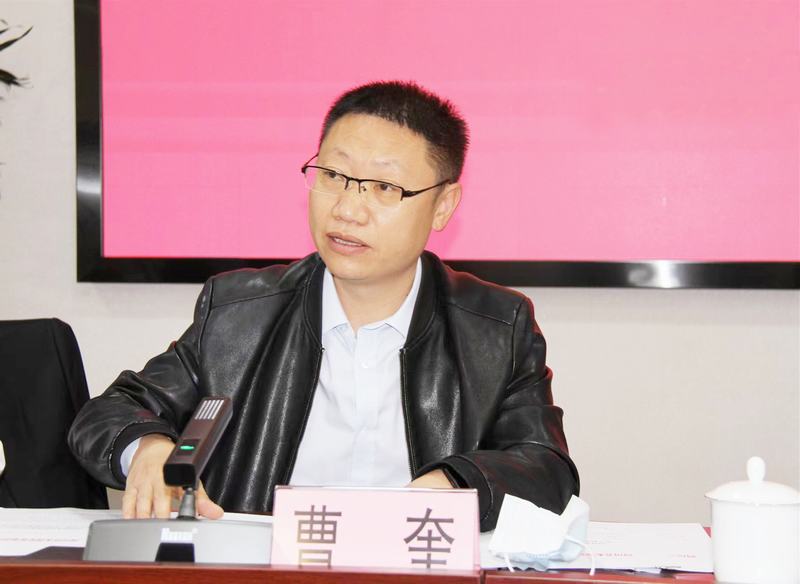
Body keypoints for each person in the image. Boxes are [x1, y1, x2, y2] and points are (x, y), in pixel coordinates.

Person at [69, 81, 578, 531]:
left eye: (384, 187)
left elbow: (546, 467)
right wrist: (149, 448)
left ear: (443, 205)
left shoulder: (496, 326)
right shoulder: (238, 313)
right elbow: (110, 412)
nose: (347, 209)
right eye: (333, 175)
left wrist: (456, 483)